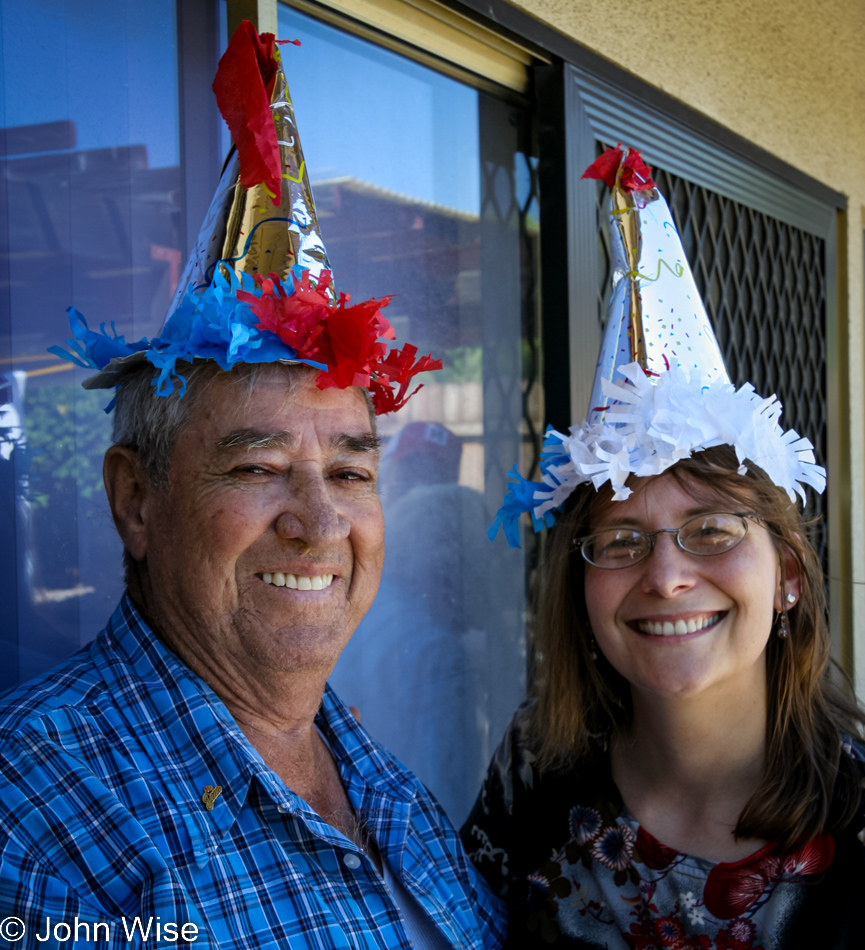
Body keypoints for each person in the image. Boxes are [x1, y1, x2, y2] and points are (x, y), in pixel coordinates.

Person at [0, 22, 505, 950]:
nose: (319, 522)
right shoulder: (32, 814)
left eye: (350, 472)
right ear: (135, 500)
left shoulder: (382, 784)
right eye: (259, 468)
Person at [461, 146, 865, 948]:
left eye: (710, 532)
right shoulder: (533, 767)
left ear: (786, 572)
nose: (667, 576)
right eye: (620, 541)